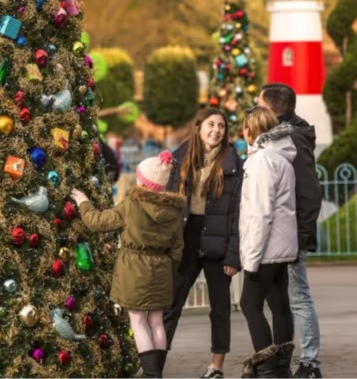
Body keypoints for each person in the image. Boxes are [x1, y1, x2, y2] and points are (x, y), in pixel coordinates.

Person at [71, 151, 185, 378]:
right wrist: (165, 266)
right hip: (161, 270)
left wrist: (83, 202)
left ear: (143, 180)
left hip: (135, 269)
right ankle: (157, 372)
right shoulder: (174, 210)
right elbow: (177, 249)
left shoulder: (132, 204)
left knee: (138, 320)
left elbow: (97, 222)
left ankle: (152, 375)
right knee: (157, 322)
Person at [163, 108, 243, 379]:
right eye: (211, 124)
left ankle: (217, 367)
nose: (216, 130)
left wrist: (234, 255)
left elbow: (237, 214)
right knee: (171, 304)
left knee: (219, 308)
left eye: (221, 126)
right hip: (188, 237)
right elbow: (168, 202)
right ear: (198, 127)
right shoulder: (180, 158)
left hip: (218, 240)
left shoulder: (232, 162)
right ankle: (155, 366)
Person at [258, 83, 323, 378]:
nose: (255, 108)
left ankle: (309, 362)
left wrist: (302, 235)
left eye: (259, 104)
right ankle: (284, 357)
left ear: (270, 109)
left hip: (291, 234)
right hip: (280, 233)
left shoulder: (292, 139)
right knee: (280, 299)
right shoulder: (283, 136)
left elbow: (309, 191)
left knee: (298, 297)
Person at [239, 106, 298, 378]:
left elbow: (260, 212)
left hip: (265, 250)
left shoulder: (261, 160)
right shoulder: (282, 157)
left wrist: (250, 258)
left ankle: (267, 369)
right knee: (279, 304)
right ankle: (282, 367)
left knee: (250, 304)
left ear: (250, 130)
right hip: (282, 248)